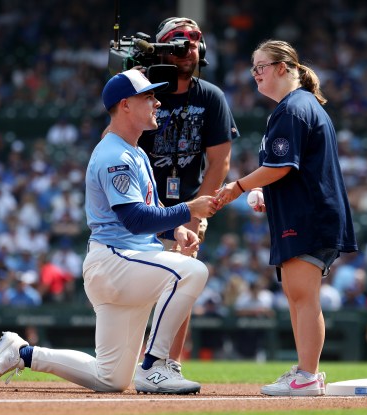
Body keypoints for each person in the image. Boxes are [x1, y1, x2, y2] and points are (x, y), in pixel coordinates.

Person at [0, 69, 218, 394]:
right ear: (125, 105)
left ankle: (22, 353)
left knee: (111, 378)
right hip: (117, 263)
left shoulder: (134, 151)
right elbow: (134, 219)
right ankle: (155, 367)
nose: (157, 102)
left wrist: (175, 229)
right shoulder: (114, 155)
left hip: (127, 264)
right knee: (191, 272)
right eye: (147, 96)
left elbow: (148, 210)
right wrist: (189, 209)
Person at [215, 40, 358, 396]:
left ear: (284, 67)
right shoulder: (294, 107)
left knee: (302, 294)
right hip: (304, 210)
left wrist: (240, 187)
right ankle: (304, 369)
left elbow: (279, 167)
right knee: (297, 295)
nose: (255, 74)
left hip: (309, 214)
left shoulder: (293, 108)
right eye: (253, 68)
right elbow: (290, 170)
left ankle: (308, 375)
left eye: (261, 66)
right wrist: (264, 190)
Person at [137, 16, 239, 371]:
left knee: (182, 290)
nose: (188, 48)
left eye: (194, 41)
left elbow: (220, 162)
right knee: (140, 289)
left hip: (190, 204)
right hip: (143, 206)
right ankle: (134, 360)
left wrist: (196, 212)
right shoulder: (141, 90)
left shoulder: (211, 96)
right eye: (178, 42)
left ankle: (170, 363)